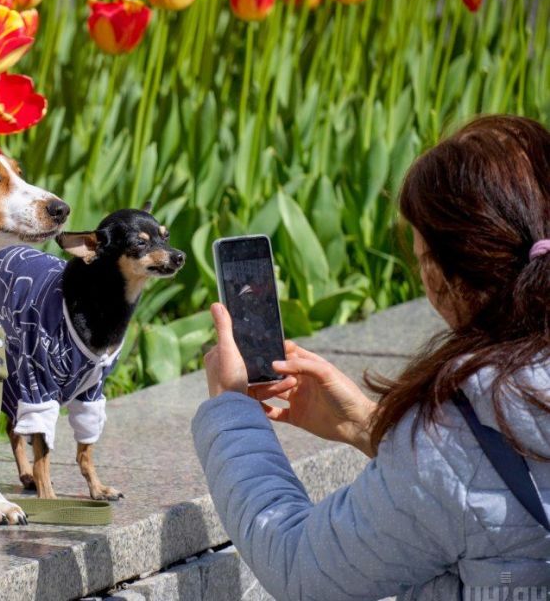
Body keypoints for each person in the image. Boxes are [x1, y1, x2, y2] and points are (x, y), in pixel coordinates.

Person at [193, 115, 550, 599]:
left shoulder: (453, 437)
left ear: (442, 273)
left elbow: (300, 565)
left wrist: (231, 411)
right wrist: (371, 426)